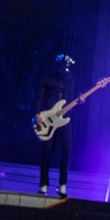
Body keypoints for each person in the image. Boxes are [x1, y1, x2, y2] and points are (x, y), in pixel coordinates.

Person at [36, 54, 75, 198]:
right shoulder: (46, 80)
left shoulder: (69, 83)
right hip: (48, 118)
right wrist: (38, 114)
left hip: (64, 120)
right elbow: (40, 97)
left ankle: (63, 186)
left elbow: (71, 102)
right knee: (46, 152)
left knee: (67, 150)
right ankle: (43, 185)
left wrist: (79, 102)